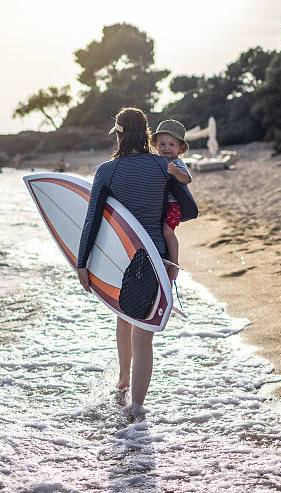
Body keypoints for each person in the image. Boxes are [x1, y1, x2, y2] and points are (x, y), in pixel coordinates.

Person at [75, 107, 196, 416]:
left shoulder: (106, 170)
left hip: (118, 261)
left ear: (118, 134)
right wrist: (172, 261)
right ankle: (136, 410)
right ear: (147, 135)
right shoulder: (164, 165)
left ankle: (123, 383)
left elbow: (92, 222)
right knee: (143, 336)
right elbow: (189, 207)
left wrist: (83, 264)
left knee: (122, 315)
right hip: (154, 259)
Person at [150, 120, 191, 282]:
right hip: (159, 204)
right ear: (156, 145)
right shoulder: (156, 161)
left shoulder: (178, 163)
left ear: (180, 148)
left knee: (168, 232)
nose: (166, 148)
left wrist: (175, 172)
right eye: (162, 144)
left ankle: (174, 262)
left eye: (171, 144)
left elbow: (186, 179)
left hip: (173, 205)